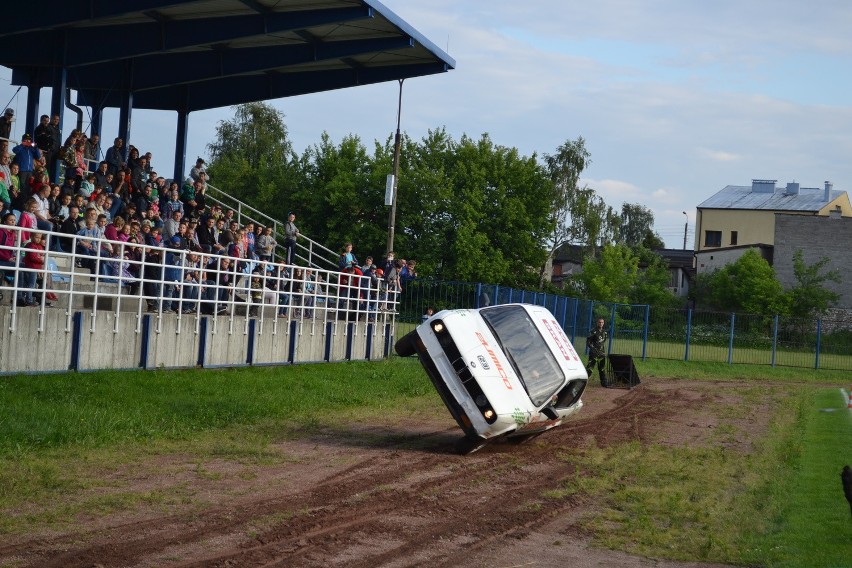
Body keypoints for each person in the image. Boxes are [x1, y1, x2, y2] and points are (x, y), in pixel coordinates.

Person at [585, 317, 609, 385]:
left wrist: (602, 352)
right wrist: (593, 349)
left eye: (602, 322)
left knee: (602, 369)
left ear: (603, 323)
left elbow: (603, 342)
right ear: (597, 323)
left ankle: (604, 383)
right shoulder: (593, 331)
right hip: (594, 354)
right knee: (590, 368)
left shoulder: (605, 332)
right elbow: (588, 342)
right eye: (599, 322)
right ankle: (583, 382)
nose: (601, 323)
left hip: (601, 353)